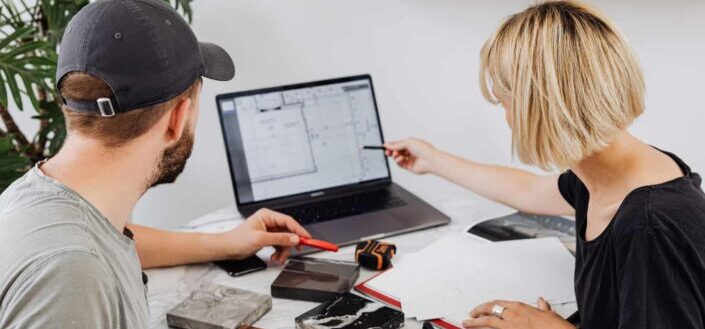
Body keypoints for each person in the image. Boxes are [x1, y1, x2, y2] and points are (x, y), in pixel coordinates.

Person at [385, 1, 705, 329]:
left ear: (541, 108)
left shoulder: (649, 228)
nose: (507, 118)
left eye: (505, 103)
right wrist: (432, 160)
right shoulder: (608, 172)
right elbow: (529, 190)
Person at [0, 0, 309, 328]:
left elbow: (109, 241)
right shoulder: (72, 275)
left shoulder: (40, 204)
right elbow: (81, 263)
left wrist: (227, 243)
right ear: (178, 119)